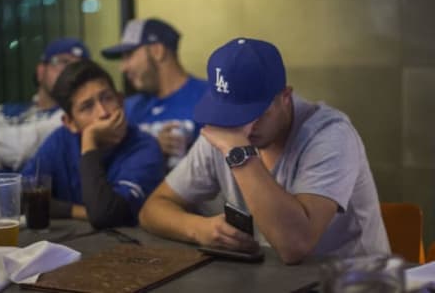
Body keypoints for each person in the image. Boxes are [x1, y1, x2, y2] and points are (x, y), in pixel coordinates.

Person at [139, 38, 390, 264]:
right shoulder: (226, 127)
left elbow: (295, 246)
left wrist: (240, 152)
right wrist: (198, 228)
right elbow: (152, 209)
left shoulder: (331, 135)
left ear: (285, 96)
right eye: (231, 115)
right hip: (275, 280)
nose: (244, 128)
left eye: (254, 114)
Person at [22, 59, 164, 229]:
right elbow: (21, 196)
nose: (103, 113)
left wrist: (89, 139)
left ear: (120, 101)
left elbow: (104, 215)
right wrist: (79, 211)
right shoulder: (60, 140)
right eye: (87, 107)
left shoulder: (145, 148)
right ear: (70, 123)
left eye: (107, 98)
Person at [0, 38, 90, 171]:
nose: (70, 71)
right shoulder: (4, 109)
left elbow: (18, 151)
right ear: (41, 71)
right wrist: (1, 164)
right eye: (63, 62)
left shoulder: (69, 118)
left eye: (78, 67)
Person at [101, 18, 207, 171]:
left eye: (129, 55)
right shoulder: (129, 108)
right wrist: (152, 148)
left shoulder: (211, 98)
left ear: (157, 51)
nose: (123, 68)